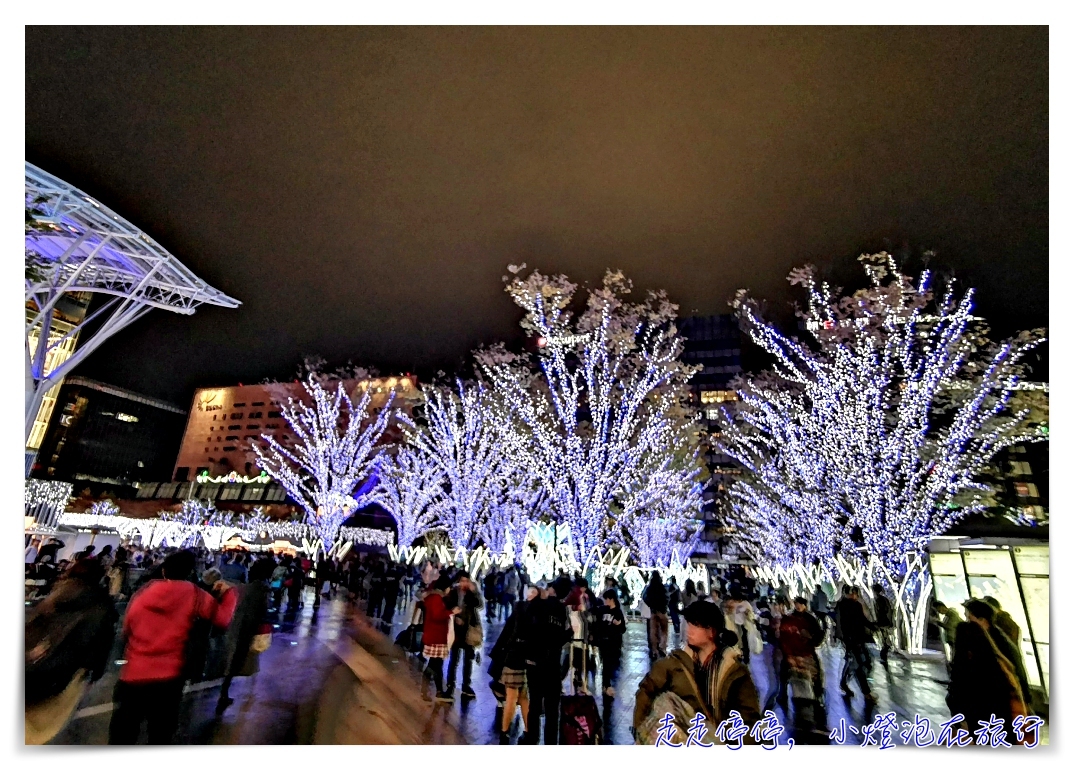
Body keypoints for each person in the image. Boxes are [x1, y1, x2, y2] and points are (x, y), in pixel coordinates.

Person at [109, 550, 237, 744]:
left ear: (164, 569)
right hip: (168, 675)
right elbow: (223, 618)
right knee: (160, 733)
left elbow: (127, 627)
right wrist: (229, 593)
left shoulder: (145, 591)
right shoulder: (194, 594)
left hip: (133, 673)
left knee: (123, 734)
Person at [633, 600, 761, 744]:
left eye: (695, 625)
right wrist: (639, 729)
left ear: (711, 632)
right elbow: (646, 689)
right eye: (689, 623)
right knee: (666, 703)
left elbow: (750, 722)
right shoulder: (675, 664)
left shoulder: (734, 673)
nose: (689, 629)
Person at [25, 559, 118, 745]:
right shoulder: (102, 605)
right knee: (40, 731)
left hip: (31, 668)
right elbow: (100, 646)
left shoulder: (57, 594)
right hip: (66, 676)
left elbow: (31, 627)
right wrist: (94, 674)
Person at [946, 621, 1027, 744]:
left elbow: (959, 700)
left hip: (978, 731)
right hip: (1004, 730)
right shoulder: (1000, 664)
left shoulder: (966, 668)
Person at [216, 557, 274, 714]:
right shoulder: (262, 590)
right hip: (248, 627)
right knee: (239, 659)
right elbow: (262, 611)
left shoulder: (243, 588)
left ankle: (223, 693)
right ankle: (224, 694)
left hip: (235, 624)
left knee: (232, 659)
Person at [525, 580, 571, 744]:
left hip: (534, 662)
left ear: (553, 590)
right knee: (552, 709)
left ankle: (532, 738)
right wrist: (570, 633)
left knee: (535, 704)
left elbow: (526, 626)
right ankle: (550, 742)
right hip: (552, 664)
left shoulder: (537, 605)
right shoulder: (562, 610)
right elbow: (559, 639)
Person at [964, 598, 1032, 710]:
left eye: (969, 619)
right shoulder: (987, 638)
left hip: (1001, 702)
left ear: (983, 620)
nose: (967, 623)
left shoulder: (997, 641)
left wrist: (1025, 698)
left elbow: (1013, 669)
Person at [489, 585, 534, 743]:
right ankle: (529, 731)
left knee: (512, 696)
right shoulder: (537, 614)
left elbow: (506, 633)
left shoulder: (518, 610)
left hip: (513, 657)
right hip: (528, 660)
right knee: (523, 697)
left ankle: (504, 731)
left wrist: (496, 653)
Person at [776, 597, 824, 707]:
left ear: (805, 606)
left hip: (806, 650)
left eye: (801, 604)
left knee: (815, 672)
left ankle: (818, 694)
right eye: (797, 604)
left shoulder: (810, 619)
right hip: (791, 650)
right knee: (784, 671)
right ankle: (783, 693)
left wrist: (813, 641)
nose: (798, 606)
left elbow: (818, 633)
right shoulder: (790, 617)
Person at [444, 571, 483, 700]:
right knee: (454, 659)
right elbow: (447, 605)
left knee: (468, 660)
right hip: (456, 630)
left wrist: (475, 592)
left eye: (467, 581)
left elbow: (480, 605)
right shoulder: (454, 592)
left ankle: (466, 685)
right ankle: (451, 685)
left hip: (469, 630)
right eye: (462, 581)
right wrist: (455, 617)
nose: (464, 584)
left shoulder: (472, 592)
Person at [834, 585, 877, 704]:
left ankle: (844, 683)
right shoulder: (844, 605)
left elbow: (861, 620)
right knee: (858, 664)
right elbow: (843, 624)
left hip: (856, 638)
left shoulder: (853, 605)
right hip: (852, 639)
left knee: (856, 662)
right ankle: (866, 693)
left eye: (855, 593)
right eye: (852, 593)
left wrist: (872, 626)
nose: (854, 595)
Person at [421, 574, 458, 702]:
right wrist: (451, 613)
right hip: (436, 636)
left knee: (435, 664)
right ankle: (432, 691)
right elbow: (437, 615)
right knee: (435, 665)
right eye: (449, 587)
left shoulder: (433, 597)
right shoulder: (436, 598)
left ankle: (435, 690)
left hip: (434, 635)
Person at [593, 588, 626, 725]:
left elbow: (623, 628)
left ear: (611, 599)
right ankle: (606, 686)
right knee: (606, 663)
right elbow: (597, 624)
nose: (605, 601)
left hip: (613, 641)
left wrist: (617, 626)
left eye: (607, 598)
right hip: (604, 641)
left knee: (610, 663)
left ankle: (606, 685)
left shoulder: (617, 612)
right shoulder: (601, 610)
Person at [642, 571, 669, 660]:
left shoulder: (649, 588)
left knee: (653, 631)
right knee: (664, 630)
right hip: (662, 611)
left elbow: (645, 598)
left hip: (653, 612)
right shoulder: (662, 587)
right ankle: (662, 646)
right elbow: (667, 598)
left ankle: (654, 650)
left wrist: (651, 606)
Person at [872, 584, 895, 665]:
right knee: (884, 638)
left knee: (883, 639)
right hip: (884, 622)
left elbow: (881, 611)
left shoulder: (879, 600)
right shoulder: (883, 599)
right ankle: (885, 653)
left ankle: (884, 654)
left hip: (882, 622)